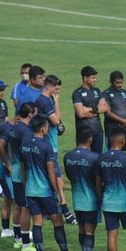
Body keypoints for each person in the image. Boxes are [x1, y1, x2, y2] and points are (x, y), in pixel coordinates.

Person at [21, 114, 77, 251]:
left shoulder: (24, 144)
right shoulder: (46, 146)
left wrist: (26, 187)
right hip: (45, 191)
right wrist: (58, 192)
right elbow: (51, 172)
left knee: (37, 222)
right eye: (46, 126)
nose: (47, 128)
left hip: (30, 190)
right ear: (42, 128)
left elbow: (23, 169)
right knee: (57, 221)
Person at [35, 74, 76, 225]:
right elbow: (56, 120)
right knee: (56, 180)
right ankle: (64, 212)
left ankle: (50, 210)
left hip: (51, 144)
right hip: (48, 146)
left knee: (53, 180)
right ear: (49, 86)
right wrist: (57, 103)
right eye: (56, 88)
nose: (58, 91)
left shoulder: (46, 100)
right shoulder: (45, 101)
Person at [1, 103, 38, 251]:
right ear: (30, 114)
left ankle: (17, 239)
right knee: (26, 208)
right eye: (35, 113)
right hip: (23, 173)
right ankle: (26, 244)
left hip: (14, 170)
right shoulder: (27, 131)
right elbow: (25, 155)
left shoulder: (14, 128)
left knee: (18, 205)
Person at [63, 127, 101, 251]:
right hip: (91, 200)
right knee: (90, 230)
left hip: (77, 199)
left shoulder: (68, 156)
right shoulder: (95, 158)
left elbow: (69, 176)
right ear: (90, 140)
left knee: (82, 228)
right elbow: (97, 180)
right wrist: (100, 197)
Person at [104, 71, 126, 174]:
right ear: (111, 82)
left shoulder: (124, 92)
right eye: (117, 83)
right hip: (112, 127)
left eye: (121, 82)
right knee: (113, 151)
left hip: (125, 127)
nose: (120, 85)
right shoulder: (106, 94)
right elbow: (108, 112)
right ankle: (112, 173)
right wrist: (123, 120)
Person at [72, 66, 109, 154]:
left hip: (98, 131)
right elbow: (80, 113)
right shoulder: (77, 93)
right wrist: (96, 110)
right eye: (93, 77)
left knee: (97, 157)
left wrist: (90, 110)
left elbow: (105, 107)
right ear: (85, 78)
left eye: (95, 77)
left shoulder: (97, 90)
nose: (95, 80)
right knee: (84, 157)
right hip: (83, 133)